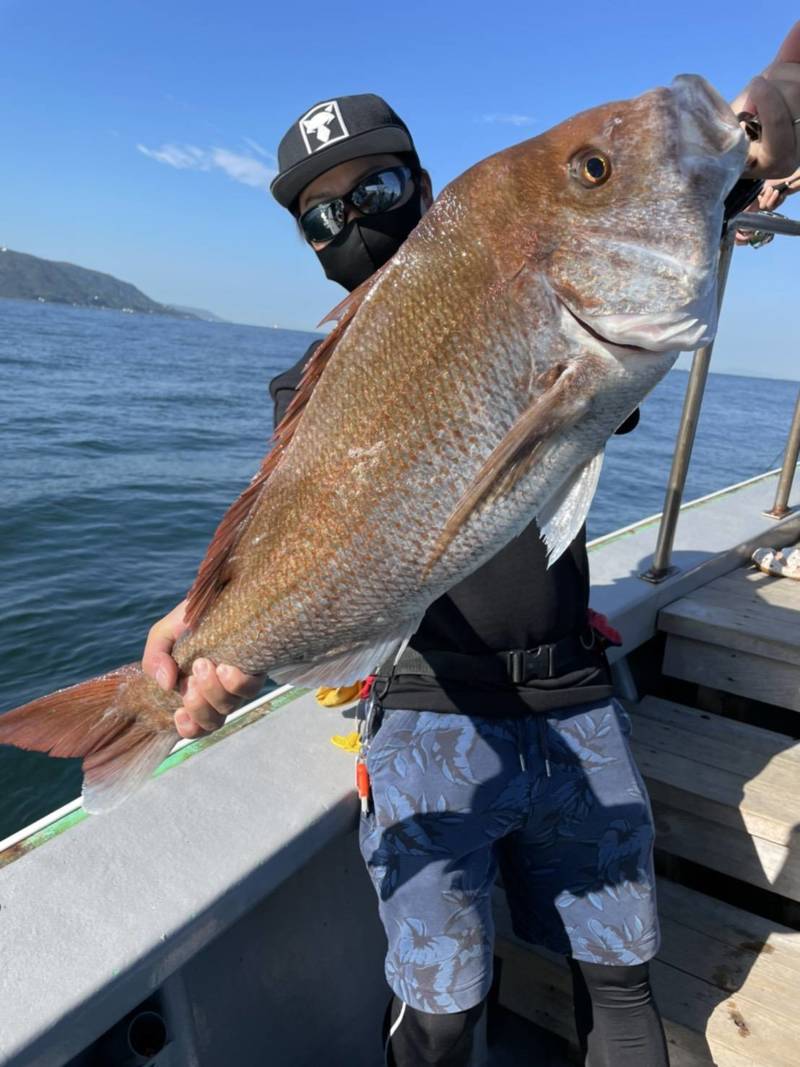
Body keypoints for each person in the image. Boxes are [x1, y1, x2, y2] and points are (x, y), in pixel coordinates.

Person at [142, 28, 800, 1067]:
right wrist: (202, 618)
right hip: (423, 712)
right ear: (307, 242)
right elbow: (288, 521)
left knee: (623, 984)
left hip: (573, 691)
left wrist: (710, 183)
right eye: (323, 215)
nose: (354, 220)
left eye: (378, 186)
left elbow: (610, 291)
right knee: (440, 1016)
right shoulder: (307, 387)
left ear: (426, 181)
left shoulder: (531, 287)